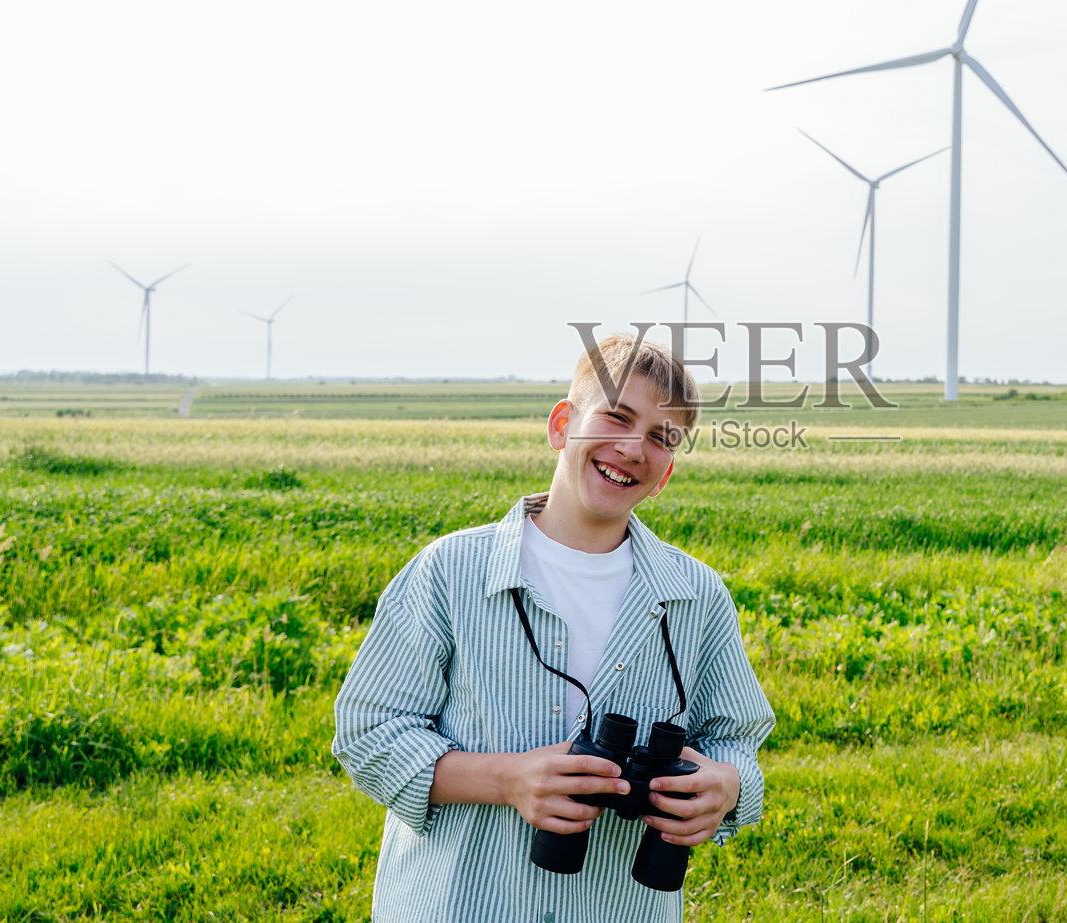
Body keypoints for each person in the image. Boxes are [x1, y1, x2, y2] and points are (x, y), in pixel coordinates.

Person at [332, 333, 775, 922]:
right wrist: (509, 780)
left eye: (661, 439)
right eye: (616, 417)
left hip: (622, 906)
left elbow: (735, 740)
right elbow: (369, 732)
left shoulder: (696, 596)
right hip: (464, 903)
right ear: (562, 425)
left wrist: (727, 785)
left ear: (666, 472)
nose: (632, 448)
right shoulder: (450, 572)